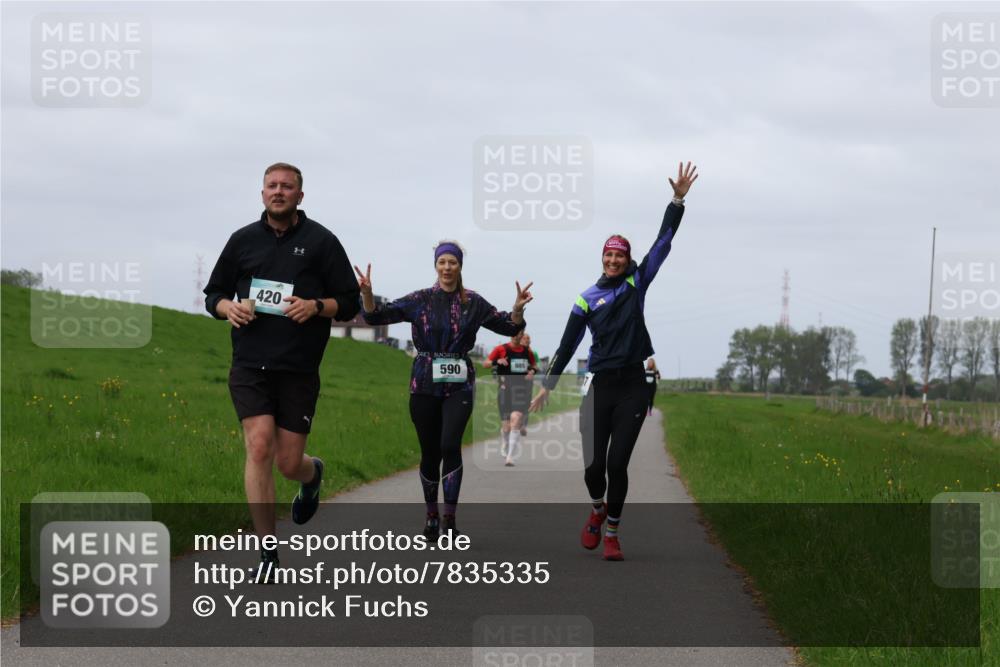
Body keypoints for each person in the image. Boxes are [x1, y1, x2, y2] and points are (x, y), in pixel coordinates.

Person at [530, 162, 698, 561]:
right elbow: (567, 345)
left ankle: (612, 533)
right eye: (608, 254)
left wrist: (676, 201)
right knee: (593, 468)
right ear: (601, 258)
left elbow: (662, 244)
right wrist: (547, 387)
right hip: (600, 385)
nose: (613, 260)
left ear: (627, 259)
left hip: (633, 387)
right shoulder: (586, 298)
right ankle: (596, 509)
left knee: (617, 463)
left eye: (619, 255)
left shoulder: (637, 284)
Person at [203, 162, 360, 580]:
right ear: (262, 194)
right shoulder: (242, 241)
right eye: (271, 185)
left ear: (299, 196)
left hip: (298, 367)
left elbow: (349, 302)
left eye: (286, 186)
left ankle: (312, 474)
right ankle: (268, 554)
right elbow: (214, 294)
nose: (278, 191)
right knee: (258, 447)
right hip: (250, 363)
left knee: (289, 463)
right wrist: (228, 307)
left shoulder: (322, 242)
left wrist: (316, 306)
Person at [356, 242, 532, 537]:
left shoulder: (473, 302)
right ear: (436, 265)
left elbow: (508, 326)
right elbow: (376, 316)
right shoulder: (420, 299)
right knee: (429, 452)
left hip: (459, 385)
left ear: (460, 266)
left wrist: (516, 309)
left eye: (453, 262)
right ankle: (431, 517)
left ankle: (449, 519)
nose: (447, 267)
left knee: (450, 445)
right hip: (424, 382)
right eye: (442, 262)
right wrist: (367, 294)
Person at [485, 332, 538, 466]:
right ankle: (505, 442)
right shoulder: (501, 349)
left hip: (520, 391)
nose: (515, 336)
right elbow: (486, 363)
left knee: (516, 419)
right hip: (504, 391)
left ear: (521, 335)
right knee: (506, 427)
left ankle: (509, 457)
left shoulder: (527, 352)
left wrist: (532, 372)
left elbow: (534, 366)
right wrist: (497, 361)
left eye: (518, 333)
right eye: (513, 333)